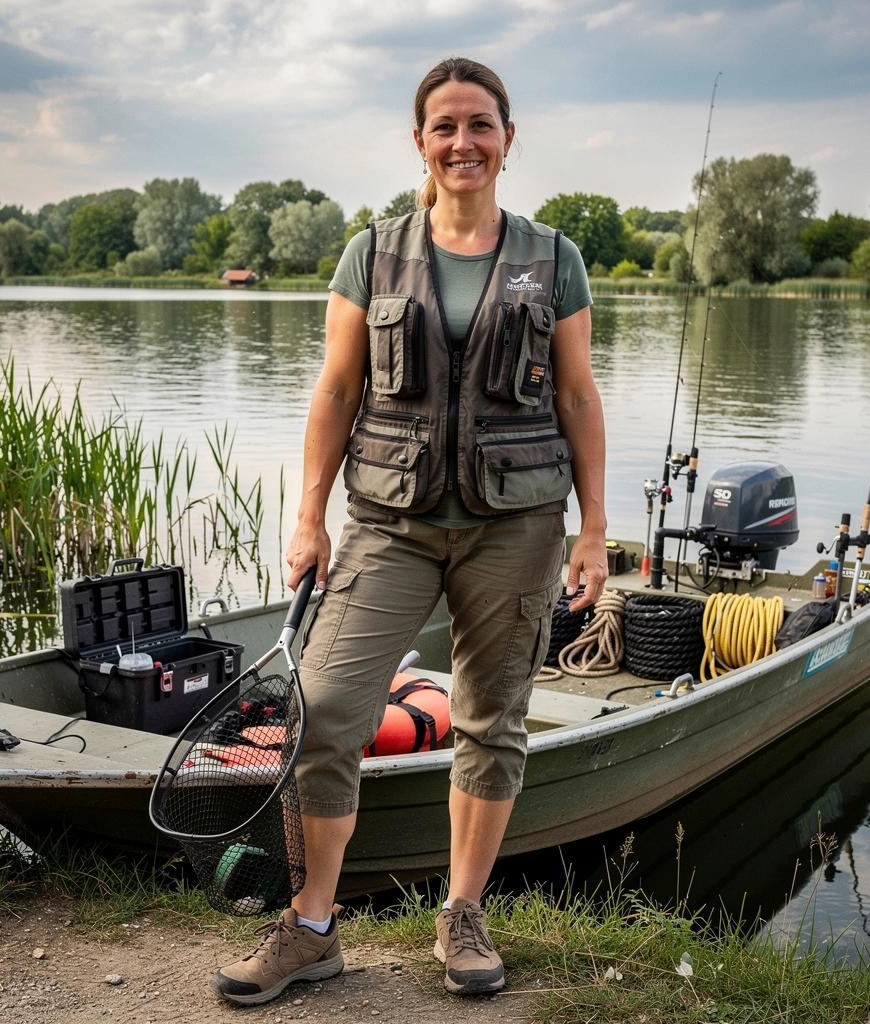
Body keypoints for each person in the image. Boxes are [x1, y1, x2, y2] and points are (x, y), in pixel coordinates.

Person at [211, 55, 607, 1005]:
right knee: (325, 710)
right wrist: (308, 516)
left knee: (491, 724)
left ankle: (462, 916)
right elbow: (337, 388)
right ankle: (311, 927)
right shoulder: (371, 252)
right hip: (388, 522)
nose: (463, 142)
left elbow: (580, 395)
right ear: (420, 142)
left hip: (516, 525)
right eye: (445, 127)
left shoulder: (555, 258)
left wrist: (594, 531)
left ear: (509, 138)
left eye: (480, 124)